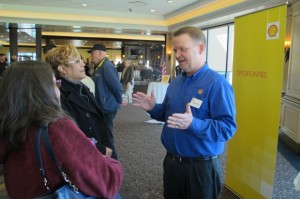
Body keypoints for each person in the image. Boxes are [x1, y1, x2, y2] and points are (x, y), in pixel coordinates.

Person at [133, 26, 236, 199]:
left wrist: (193, 123)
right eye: (175, 50)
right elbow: (168, 115)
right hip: (172, 164)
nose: (177, 54)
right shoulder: (176, 82)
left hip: (200, 170)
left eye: (183, 49)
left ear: (201, 48)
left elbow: (227, 129)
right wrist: (154, 108)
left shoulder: (217, 84)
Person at [0, 60, 123, 198]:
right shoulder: (57, 127)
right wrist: (111, 162)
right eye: (54, 83)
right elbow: (107, 182)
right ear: (42, 90)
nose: (58, 89)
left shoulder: (7, 125)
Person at [45, 44, 114, 158]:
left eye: (81, 60)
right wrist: (100, 150)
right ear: (62, 69)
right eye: (77, 61)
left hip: (97, 150)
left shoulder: (82, 87)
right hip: (84, 156)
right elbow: (69, 136)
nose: (83, 64)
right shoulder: (58, 96)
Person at [88, 44, 125, 160]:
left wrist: (121, 99)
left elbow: (115, 85)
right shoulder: (100, 66)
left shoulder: (106, 66)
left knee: (107, 137)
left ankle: (114, 164)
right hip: (102, 106)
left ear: (100, 53)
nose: (91, 56)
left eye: (92, 53)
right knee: (103, 135)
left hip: (107, 108)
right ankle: (106, 160)